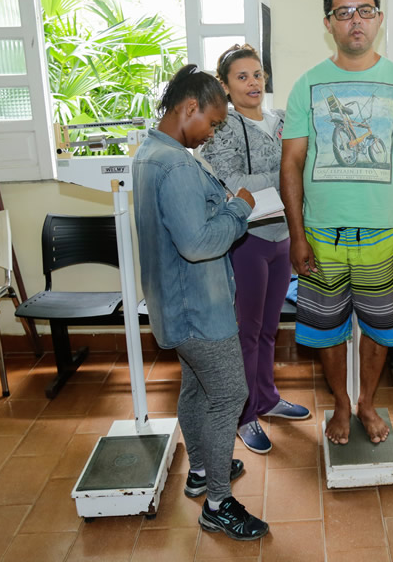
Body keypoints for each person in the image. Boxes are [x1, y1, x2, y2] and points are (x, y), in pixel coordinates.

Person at [280, 0, 393, 445]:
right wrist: (297, 235)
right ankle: (342, 406)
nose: (355, 21)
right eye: (343, 12)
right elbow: (291, 163)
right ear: (329, 23)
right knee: (326, 331)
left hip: (385, 235)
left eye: (364, 10)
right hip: (321, 236)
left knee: (380, 330)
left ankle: (366, 403)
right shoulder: (307, 85)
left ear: (379, 18)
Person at [132, 65, 268, 541]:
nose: (211, 133)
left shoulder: (150, 153)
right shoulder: (176, 166)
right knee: (229, 394)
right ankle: (218, 504)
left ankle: (202, 472)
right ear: (189, 107)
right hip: (199, 308)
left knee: (196, 391)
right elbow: (197, 243)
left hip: (174, 303)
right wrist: (240, 207)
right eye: (211, 123)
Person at [202, 44, 310, 456]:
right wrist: (288, 173)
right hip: (248, 240)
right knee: (246, 332)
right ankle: (243, 414)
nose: (253, 83)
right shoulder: (221, 127)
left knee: (268, 329)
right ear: (226, 86)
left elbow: (306, 165)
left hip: (283, 236)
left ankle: (266, 397)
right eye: (242, 77)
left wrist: (291, 174)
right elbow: (234, 182)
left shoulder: (282, 120)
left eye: (258, 74)